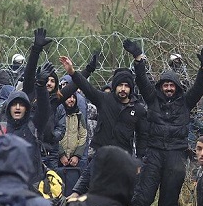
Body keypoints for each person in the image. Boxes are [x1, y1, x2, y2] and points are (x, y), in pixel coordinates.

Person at [127, 42, 203, 206]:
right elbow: (142, 80)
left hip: (176, 154)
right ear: (160, 87)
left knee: (170, 198)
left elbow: (198, 88)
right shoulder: (152, 99)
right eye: (165, 85)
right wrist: (138, 58)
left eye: (172, 85)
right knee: (143, 195)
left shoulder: (186, 102)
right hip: (154, 153)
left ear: (177, 87)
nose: (168, 89)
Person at [59, 56, 148, 196]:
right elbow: (86, 87)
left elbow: (143, 137)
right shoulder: (104, 100)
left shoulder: (138, 109)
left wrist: (140, 162)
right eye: (120, 85)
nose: (123, 89)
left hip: (122, 160)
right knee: (88, 192)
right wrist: (72, 72)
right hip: (101, 156)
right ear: (115, 86)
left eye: (126, 86)